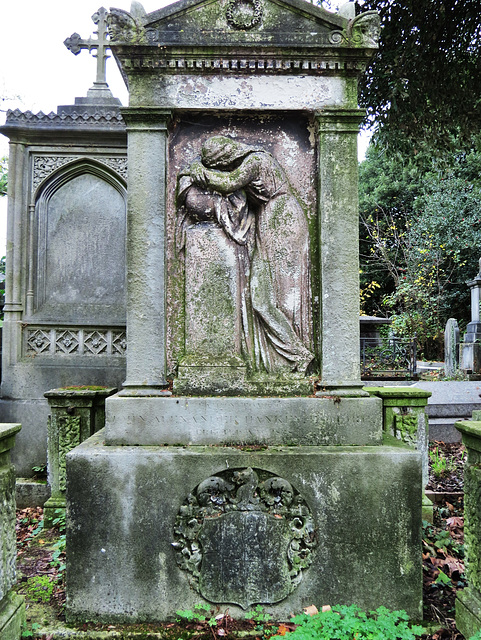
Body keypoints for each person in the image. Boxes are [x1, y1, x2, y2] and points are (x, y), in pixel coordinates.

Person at [185, 135, 314, 375]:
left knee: (276, 293)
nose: (221, 167)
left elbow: (227, 183)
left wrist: (197, 171)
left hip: (281, 221)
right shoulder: (253, 160)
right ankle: (297, 354)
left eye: (218, 164)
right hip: (270, 220)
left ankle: (297, 354)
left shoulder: (256, 160)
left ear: (225, 155)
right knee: (261, 297)